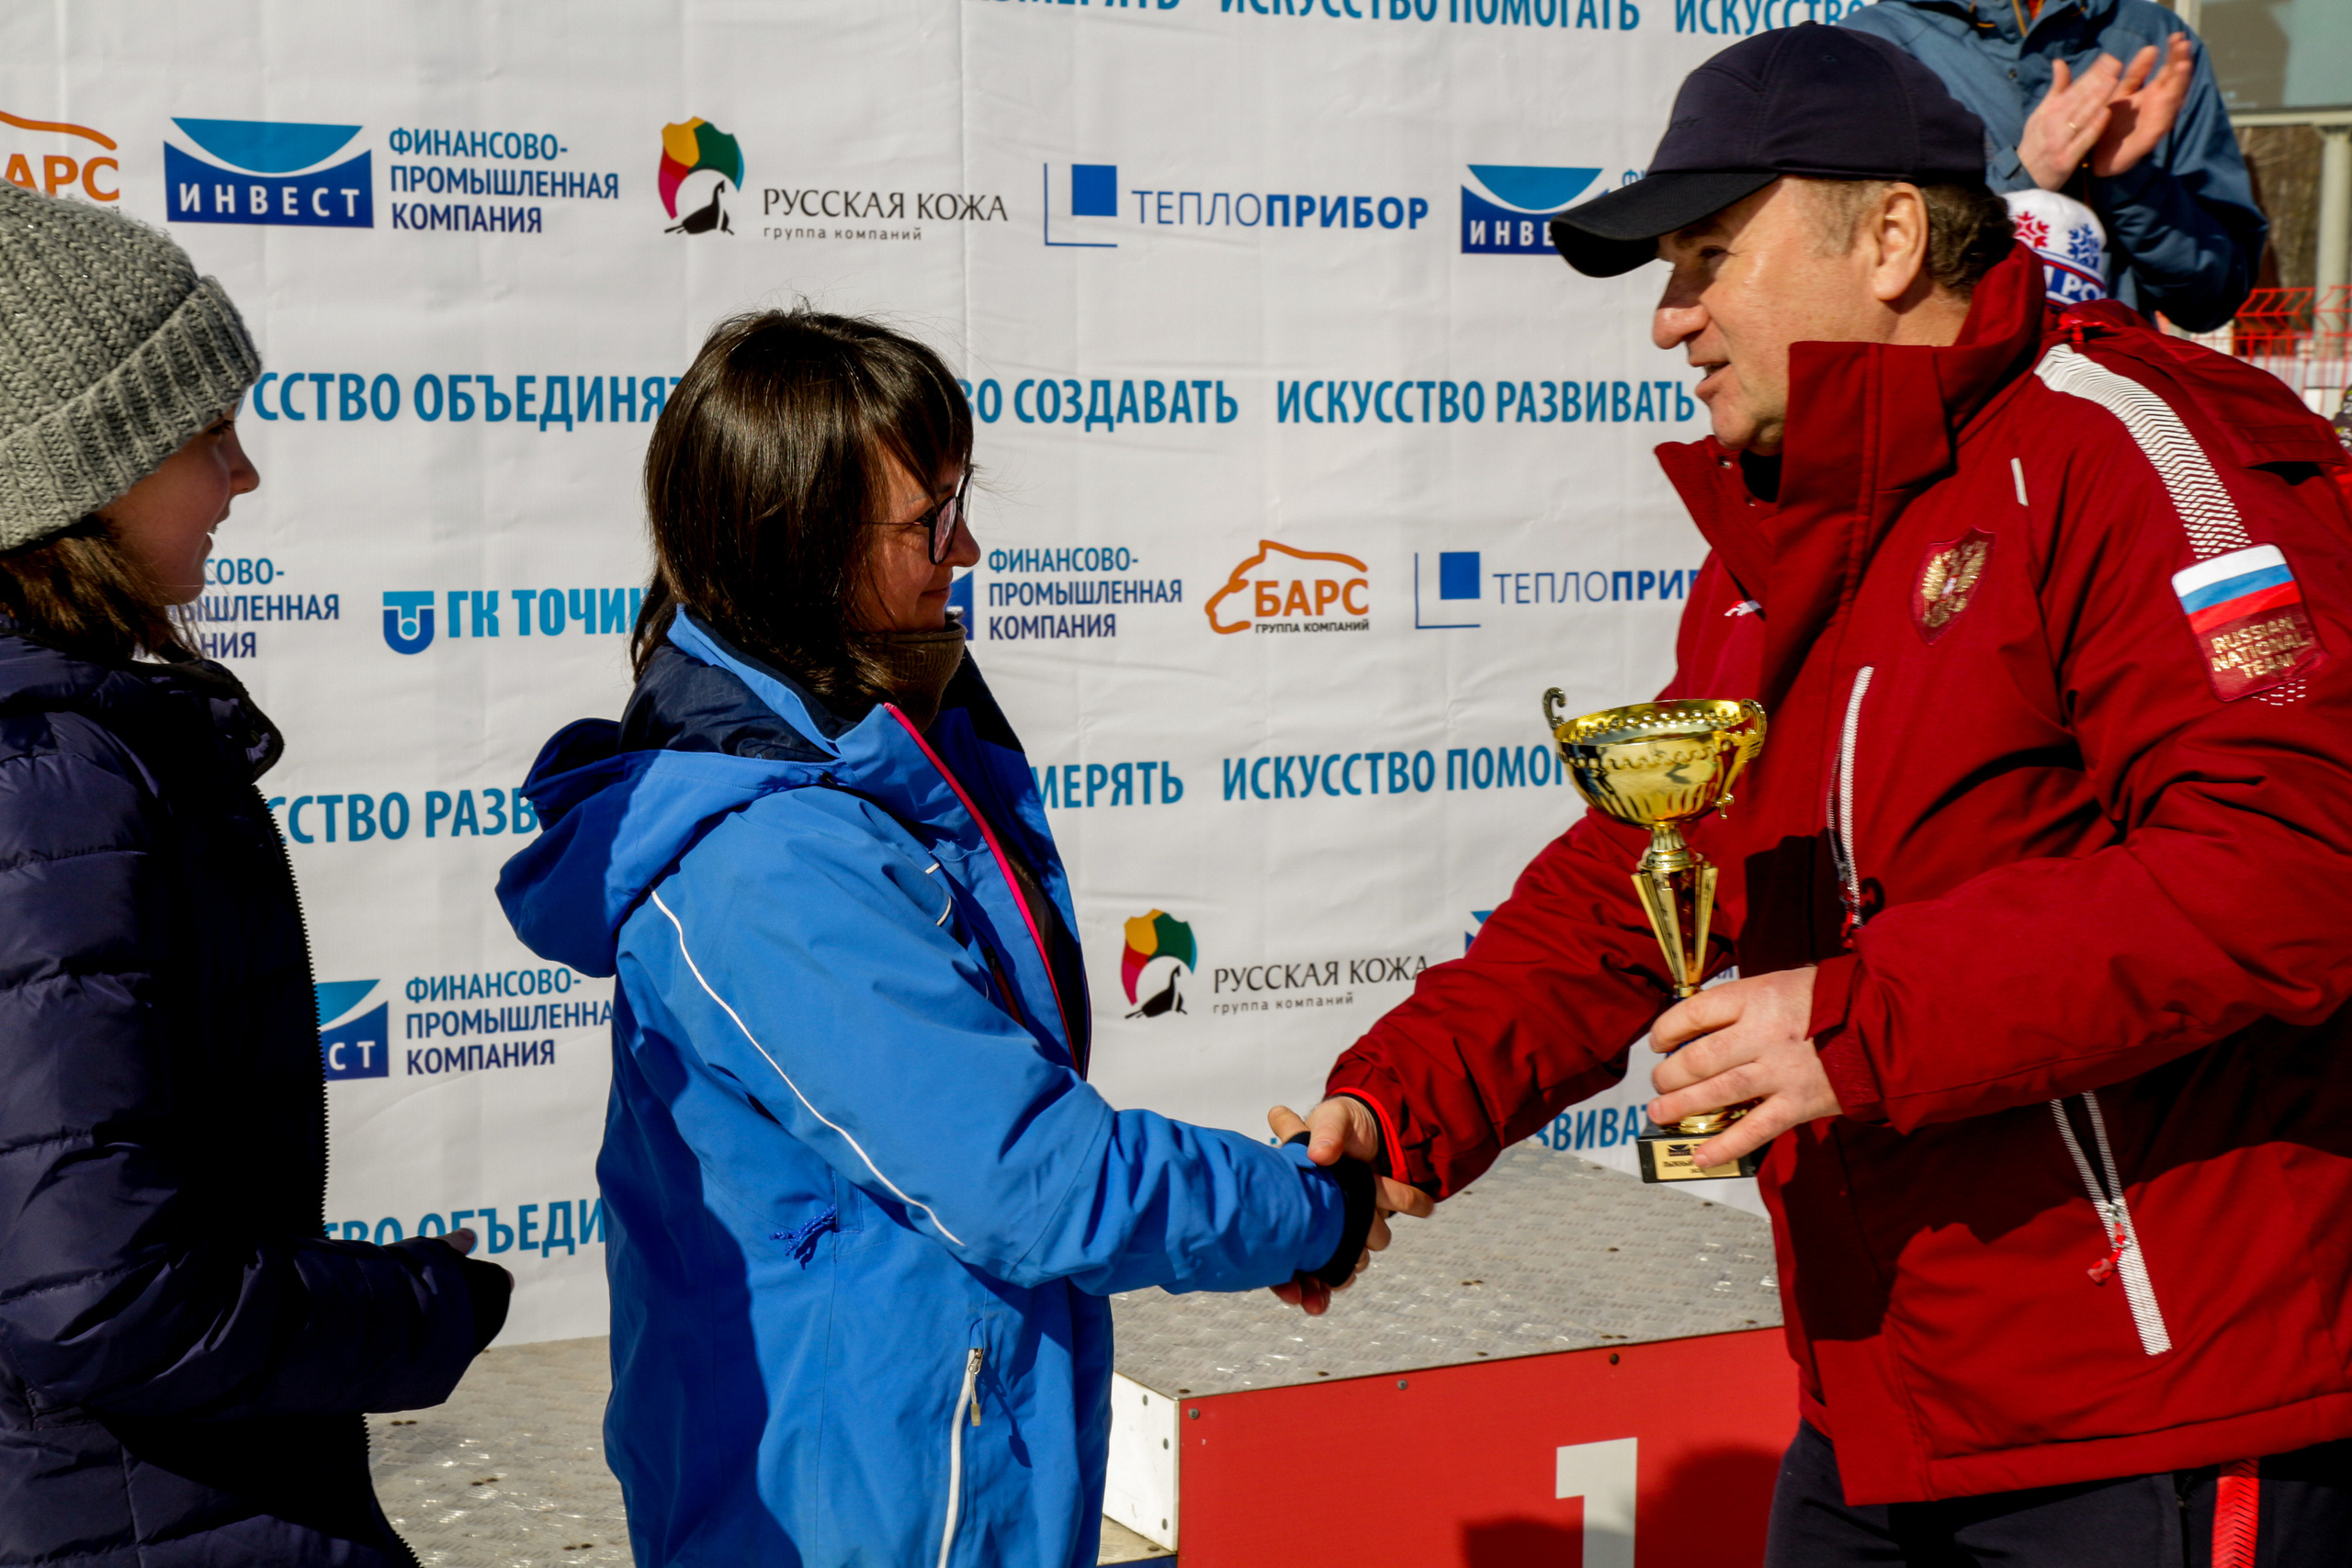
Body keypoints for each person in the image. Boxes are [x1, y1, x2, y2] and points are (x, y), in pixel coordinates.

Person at [1281, 24, 2352, 1565]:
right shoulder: (1789, 523)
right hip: (1883, 1408)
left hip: (2155, 1420)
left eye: (1710, 253)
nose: (1671, 317)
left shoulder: (2135, 448)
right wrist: (1400, 1107)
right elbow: (1647, 874)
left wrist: (1854, 1026)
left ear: (1894, 237)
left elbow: (2291, 865)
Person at [494, 310, 1408, 1568]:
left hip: (937, 1467)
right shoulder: (768, 865)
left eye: (957, 502)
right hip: (858, 1514)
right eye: (926, 520)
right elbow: (1037, 1179)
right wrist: (1309, 1210)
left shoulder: (873, 739)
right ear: (796, 545)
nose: (965, 548)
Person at [0, 184, 511, 1565]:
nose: (245, 473)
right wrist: (418, 1311)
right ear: (76, 473)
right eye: (203, 431)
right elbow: (95, 1294)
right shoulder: (53, 777)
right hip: (138, 1510)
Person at [1839, 0, 2263, 332]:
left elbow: (2214, 298)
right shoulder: (1869, 45)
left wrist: (2130, 181)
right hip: (1953, 406)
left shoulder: (2152, 37)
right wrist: (2026, 176)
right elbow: (1853, 268)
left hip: (2106, 410)